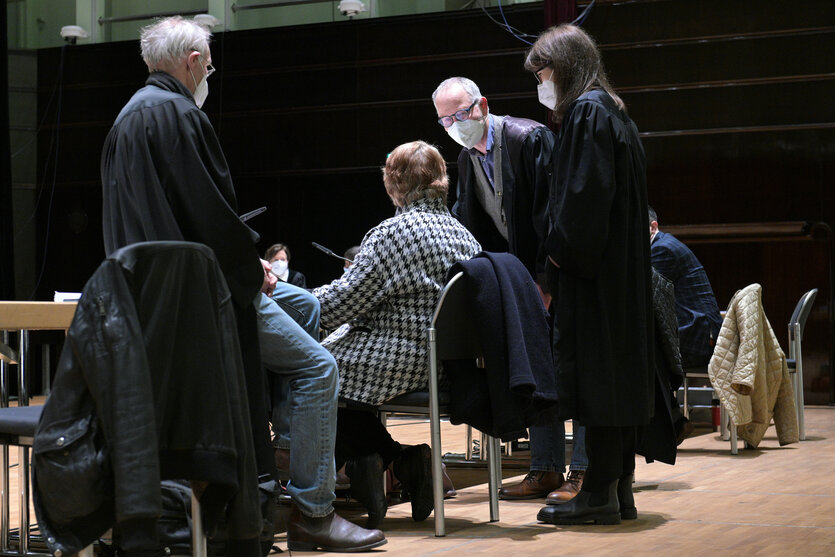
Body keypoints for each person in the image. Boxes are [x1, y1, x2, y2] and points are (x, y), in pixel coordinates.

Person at [100, 16, 384, 552]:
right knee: (320, 368)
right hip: (200, 292)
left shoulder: (126, 119)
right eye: (208, 63)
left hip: (151, 295)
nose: (210, 72)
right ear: (190, 62)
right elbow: (209, 212)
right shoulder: (179, 114)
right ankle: (312, 514)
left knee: (306, 307)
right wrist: (252, 267)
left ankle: (280, 464)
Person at [432, 76, 587, 503]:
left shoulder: (528, 138)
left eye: (460, 114)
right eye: (445, 120)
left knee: (573, 373)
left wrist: (546, 281)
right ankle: (546, 468)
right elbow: (471, 226)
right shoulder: (465, 159)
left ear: (482, 104)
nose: (455, 124)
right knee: (535, 369)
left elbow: (554, 217)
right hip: (520, 284)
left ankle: (585, 471)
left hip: (557, 275)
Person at [313, 141, 481, 528]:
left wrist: (297, 299)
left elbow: (343, 301)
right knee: (327, 375)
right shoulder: (466, 237)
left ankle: (375, 462)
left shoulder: (392, 233)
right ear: (442, 181)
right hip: (447, 364)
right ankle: (393, 461)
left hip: (398, 359)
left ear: (393, 187)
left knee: (310, 372)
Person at [524, 24, 654, 525]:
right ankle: (618, 489)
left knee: (597, 379)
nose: (541, 82)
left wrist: (553, 259)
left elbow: (579, 205)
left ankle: (597, 493)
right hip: (621, 275)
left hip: (592, 276)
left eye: (544, 71)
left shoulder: (586, 112)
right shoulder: (616, 113)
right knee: (616, 379)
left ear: (567, 66)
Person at [649, 205, 723, 443]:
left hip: (699, 338)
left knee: (641, 358)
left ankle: (668, 425)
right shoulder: (664, 244)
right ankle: (670, 423)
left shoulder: (662, 250)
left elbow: (642, 299)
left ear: (653, 226)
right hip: (696, 331)